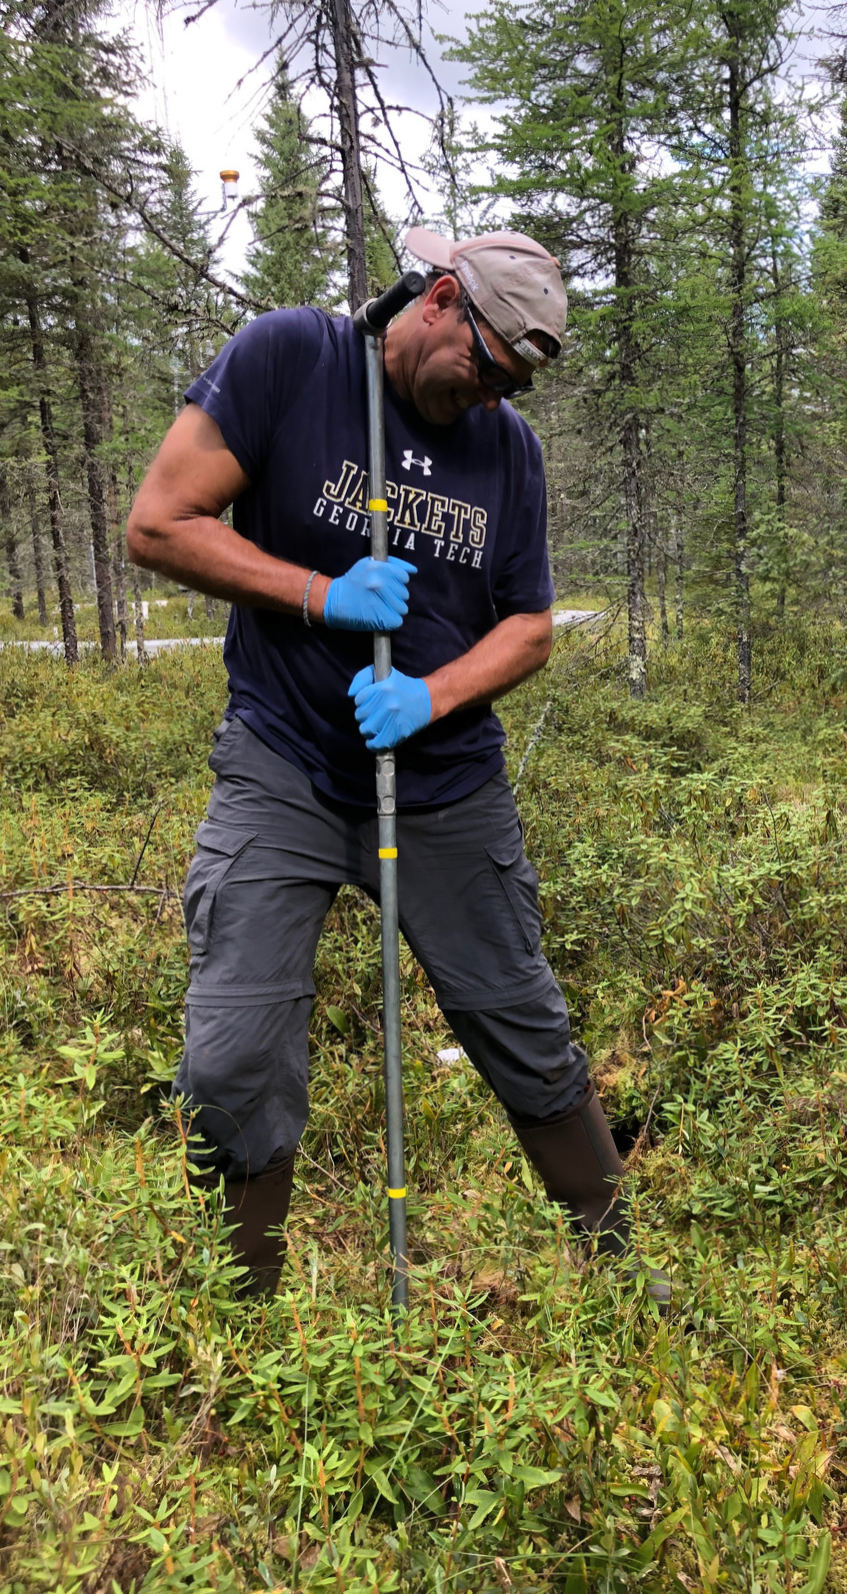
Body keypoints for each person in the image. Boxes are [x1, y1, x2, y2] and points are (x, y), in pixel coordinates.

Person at [127, 227, 669, 1309]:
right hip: (282, 761)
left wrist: (432, 695)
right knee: (234, 1051)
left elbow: (528, 626)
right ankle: (244, 1319)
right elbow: (159, 523)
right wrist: (321, 594)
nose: (489, 401)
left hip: (444, 783)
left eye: (511, 386)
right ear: (435, 303)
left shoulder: (505, 450)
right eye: (484, 370)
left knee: (523, 1025)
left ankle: (627, 1275)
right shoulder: (290, 359)